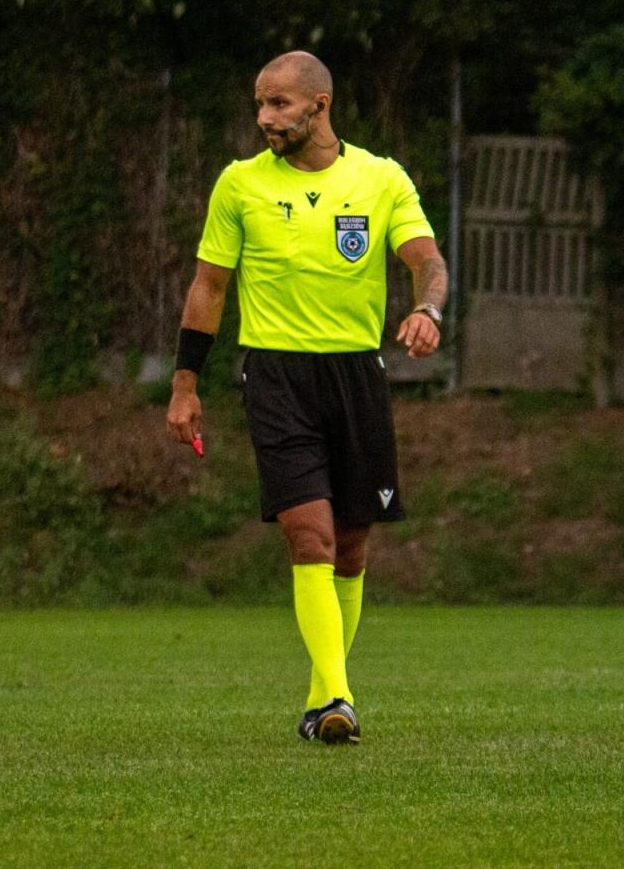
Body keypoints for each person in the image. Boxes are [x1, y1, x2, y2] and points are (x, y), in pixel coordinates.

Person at [166, 50, 448, 745]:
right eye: (260, 104)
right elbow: (208, 287)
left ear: (319, 106)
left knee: (350, 548)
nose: (265, 118)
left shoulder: (381, 178)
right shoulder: (240, 185)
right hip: (276, 377)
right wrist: (184, 384)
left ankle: (322, 698)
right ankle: (341, 698)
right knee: (309, 537)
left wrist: (428, 309)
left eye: (279, 104)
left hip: (356, 376)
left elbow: (427, 261)